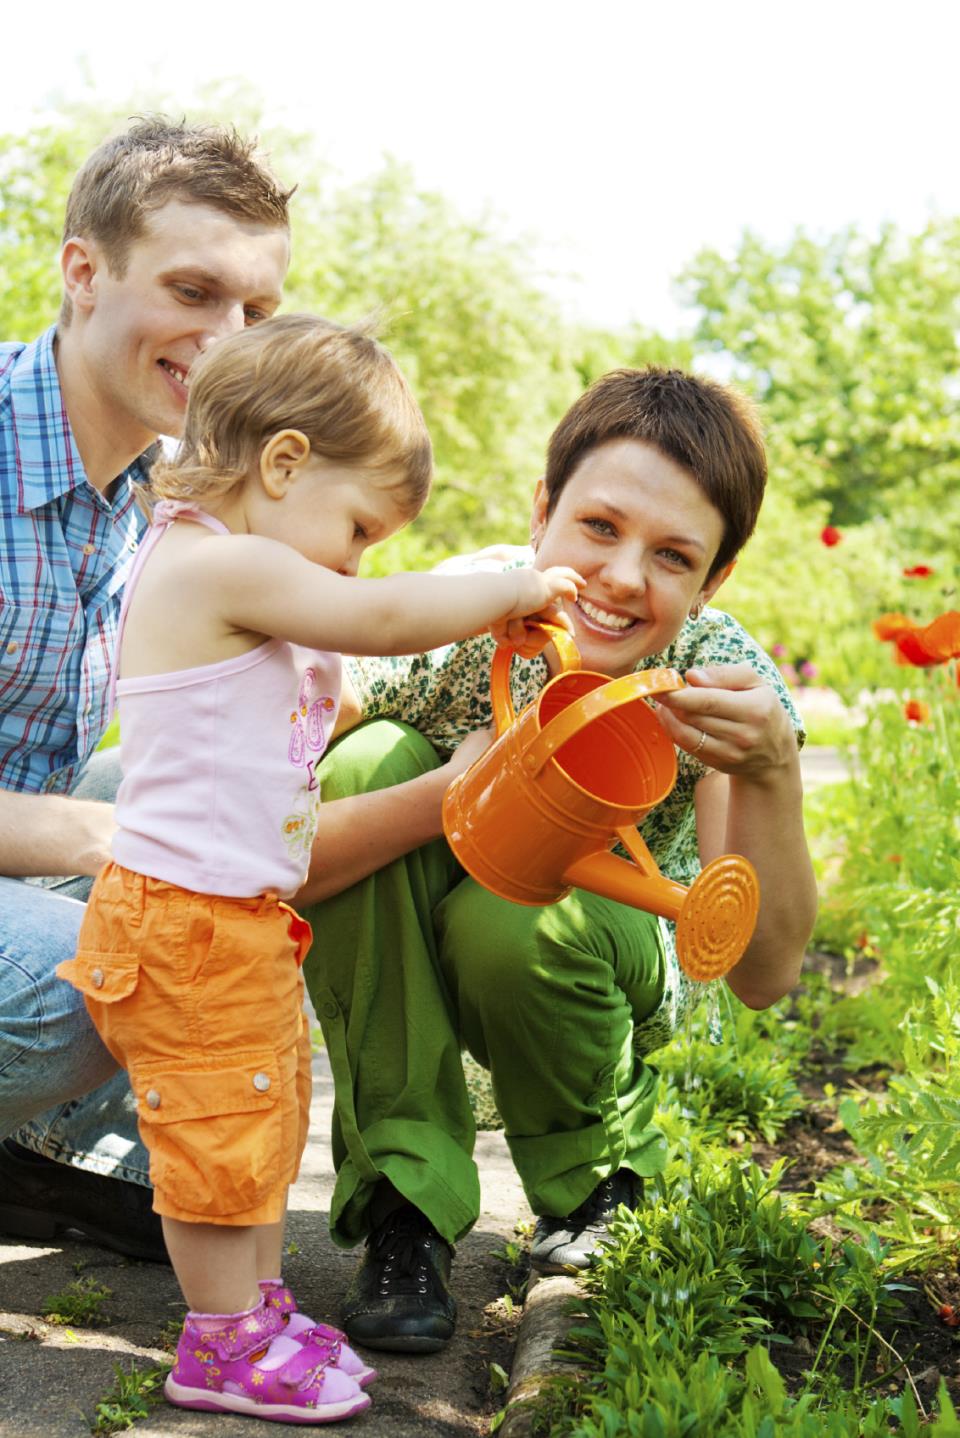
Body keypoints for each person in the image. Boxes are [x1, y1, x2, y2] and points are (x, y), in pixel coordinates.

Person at [55, 311, 581, 1423]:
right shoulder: (217, 562)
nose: (356, 560)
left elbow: (329, 678)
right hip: (185, 921)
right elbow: (379, 618)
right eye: (357, 527)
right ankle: (218, 1342)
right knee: (214, 1134)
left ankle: (256, 1304)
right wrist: (514, 585)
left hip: (231, 917)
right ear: (285, 461)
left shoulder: (242, 579)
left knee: (260, 1119)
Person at [292, 366, 820, 1354]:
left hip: (579, 964)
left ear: (715, 580)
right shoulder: (469, 614)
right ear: (542, 512)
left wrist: (773, 769)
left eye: (673, 555)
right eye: (600, 527)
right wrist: (445, 791)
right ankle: (405, 1203)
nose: (625, 576)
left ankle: (597, 1187)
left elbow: (766, 974)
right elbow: (307, 732)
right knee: (361, 763)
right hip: (412, 949)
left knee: (523, 911)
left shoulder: (714, 683)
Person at [0, 116, 293, 1259]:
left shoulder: (162, 499)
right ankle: (66, 1128)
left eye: (255, 313)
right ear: (83, 272)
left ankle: (52, 1146)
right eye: (193, 290)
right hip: (33, 858)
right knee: (88, 989)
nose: (227, 342)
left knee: (258, 818)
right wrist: (104, 838)